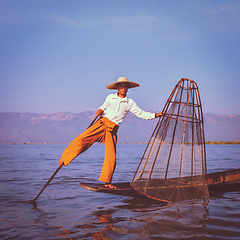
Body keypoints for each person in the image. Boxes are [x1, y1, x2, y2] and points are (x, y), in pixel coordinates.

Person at [58, 77, 162, 189]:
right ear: (117, 87)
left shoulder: (130, 103)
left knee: (111, 157)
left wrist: (155, 115)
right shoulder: (110, 97)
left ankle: (107, 182)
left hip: (112, 130)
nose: (123, 88)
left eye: (125, 86)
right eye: (121, 86)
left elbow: (142, 114)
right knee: (82, 139)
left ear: (128, 88)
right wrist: (99, 110)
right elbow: (102, 108)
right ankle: (65, 158)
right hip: (101, 124)